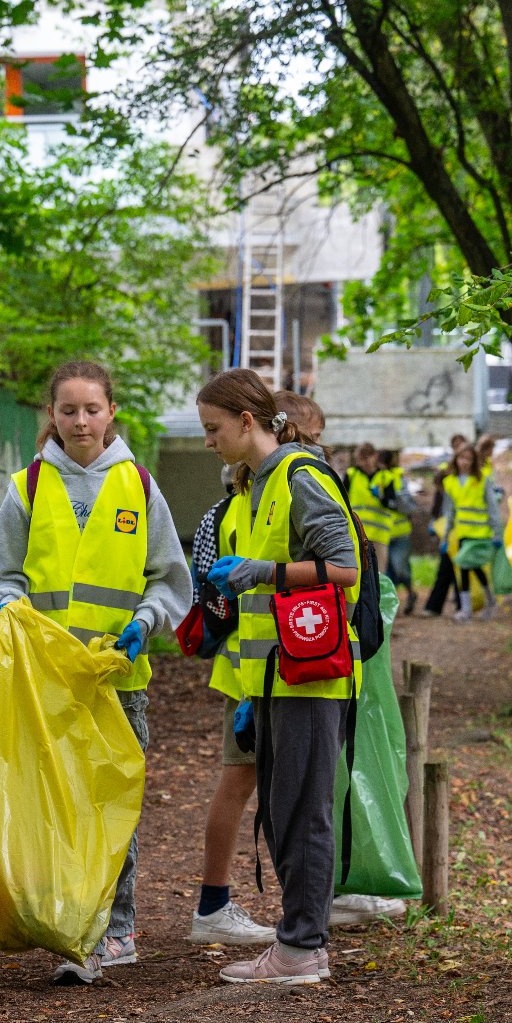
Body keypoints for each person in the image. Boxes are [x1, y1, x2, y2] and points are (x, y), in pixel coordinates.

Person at [0, 360, 191, 983]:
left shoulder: (139, 486)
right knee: (53, 803)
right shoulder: (30, 487)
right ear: (52, 416)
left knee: (110, 805)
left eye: (91, 409)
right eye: (68, 410)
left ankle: (112, 929)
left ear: (111, 412)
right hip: (45, 687)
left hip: (116, 681)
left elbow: (168, 577)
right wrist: (6, 606)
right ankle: (70, 925)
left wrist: (146, 622)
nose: (80, 421)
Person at [197, 368, 362, 985]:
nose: (209, 441)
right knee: (286, 810)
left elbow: (344, 569)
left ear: (247, 422)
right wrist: (245, 689)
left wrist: (264, 571)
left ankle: (301, 947)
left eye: (214, 429)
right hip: (272, 680)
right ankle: (298, 943)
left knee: (302, 811)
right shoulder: (252, 488)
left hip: (311, 677)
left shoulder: (299, 478)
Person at [182, 390, 325, 952]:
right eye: (305, 436)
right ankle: (215, 904)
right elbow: (232, 591)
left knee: (272, 787)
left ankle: (288, 905)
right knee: (244, 781)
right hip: (255, 669)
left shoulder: (261, 494)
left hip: (268, 665)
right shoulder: (243, 504)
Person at [442, 441, 505, 620]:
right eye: (462, 458)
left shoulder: (482, 479)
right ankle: (489, 600)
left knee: (463, 564)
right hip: (463, 533)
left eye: (469, 459)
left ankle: (467, 610)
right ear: (456, 459)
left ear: (474, 461)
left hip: (480, 534)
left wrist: (496, 533)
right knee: (473, 568)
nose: (465, 462)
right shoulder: (450, 482)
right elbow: (451, 512)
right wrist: (445, 537)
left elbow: (492, 507)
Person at [422, 433, 470, 616]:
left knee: (459, 567)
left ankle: (459, 605)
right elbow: (440, 505)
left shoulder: (471, 477)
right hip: (450, 529)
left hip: (466, 529)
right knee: (447, 567)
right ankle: (440, 606)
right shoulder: (448, 475)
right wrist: (436, 523)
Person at [377, 449, 418, 615]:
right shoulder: (374, 479)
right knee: (386, 572)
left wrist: (394, 500)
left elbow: (409, 505)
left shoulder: (400, 479)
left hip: (400, 533)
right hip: (381, 534)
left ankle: (410, 593)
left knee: (401, 568)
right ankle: (390, 604)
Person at [345, 442, 390, 576]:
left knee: (379, 574)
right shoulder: (351, 475)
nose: (364, 463)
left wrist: (382, 497)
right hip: (357, 534)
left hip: (379, 535)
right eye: (361, 459)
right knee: (359, 573)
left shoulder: (386, 477)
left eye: (367, 458)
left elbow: (392, 503)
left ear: (375, 456)